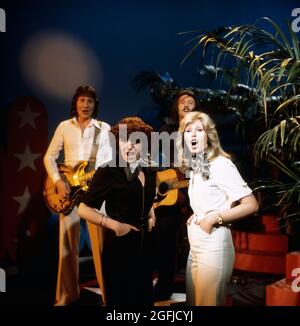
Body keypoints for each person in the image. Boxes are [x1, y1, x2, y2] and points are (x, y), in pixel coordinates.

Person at [176, 111, 259, 306]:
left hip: (213, 245)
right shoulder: (197, 165)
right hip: (196, 246)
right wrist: (198, 213)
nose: (193, 135)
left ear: (209, 136)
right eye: (188, 131)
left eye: (199, 130)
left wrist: (214, 218)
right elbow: (213, 199)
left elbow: (251, 204)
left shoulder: (221, 164)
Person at [78, 117, 157, 306]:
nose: (128, 146)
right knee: (120, 304)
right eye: (123, 139)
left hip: (145, 249)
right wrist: (116, 225)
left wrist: (151, 213)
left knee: (144, 301)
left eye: (136, 141)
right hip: (118, 249)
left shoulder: (150, 170)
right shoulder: (108, 171)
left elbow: (145, 198)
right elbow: (83, 208)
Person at [43, 85, 111, 305]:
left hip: (94, 190)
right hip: (67, 192)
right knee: (66, 246)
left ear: (95, 105)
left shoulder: (103, 128)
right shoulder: (64, 126)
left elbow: (108, 160)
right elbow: (49, 157)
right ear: (76, 103)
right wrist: (57, 181)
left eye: (90, 101)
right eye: (82, 100)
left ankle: (109, 298)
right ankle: (65, 296)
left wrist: (98, 176)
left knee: (101, 248)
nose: (85, 105)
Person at [153, 89, 200, 300]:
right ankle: (163, 288)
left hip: (195, 190)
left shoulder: (201, 131)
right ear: (177, 107)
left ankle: (197, 292)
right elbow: (153, 158)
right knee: (165, 244)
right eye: (183, 101)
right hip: (170, 192)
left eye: (191, 102)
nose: (187, 104)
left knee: (196, 242)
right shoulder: (165, 129)